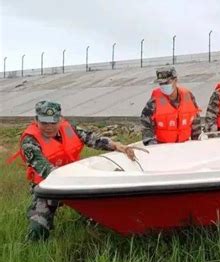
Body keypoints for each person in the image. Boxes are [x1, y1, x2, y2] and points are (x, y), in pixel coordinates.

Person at [11, 101, 135, 241]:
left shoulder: (69, 129)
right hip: (47, 186)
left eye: (53, 122)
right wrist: (78, 179)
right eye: (44, 123)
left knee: (100, 216)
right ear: (36, 120)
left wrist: (117, 146)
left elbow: (92, 138)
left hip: (74, 184)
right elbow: (46, 170)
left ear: (60, 119)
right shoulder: (29, 141)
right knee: (38, 228)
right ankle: (31, 249)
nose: (49, 127)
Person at [140, 66, 201, 145]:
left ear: (175, 80)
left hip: (185, 144)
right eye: (161, 83)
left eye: (166, 83)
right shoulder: (154, 101)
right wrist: (150, 143)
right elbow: (145, 123)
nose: (163, 86)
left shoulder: (188, 96)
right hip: (163, 146)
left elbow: (195, 120)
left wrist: (196, 141)